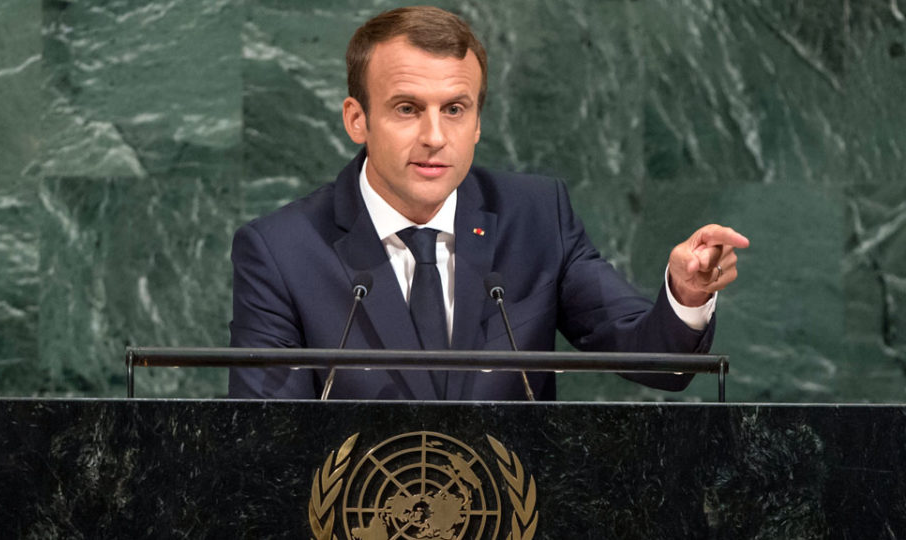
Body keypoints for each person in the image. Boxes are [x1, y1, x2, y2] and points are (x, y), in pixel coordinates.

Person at [228, 6, 749, 400]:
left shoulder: (537, 217)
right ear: (356, 119)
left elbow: (655, 359)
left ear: (477, 122)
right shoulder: (282, 251)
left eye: (454, 109)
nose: (435, 136)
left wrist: (685, 294)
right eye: (407, 108)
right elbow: (269, 443)